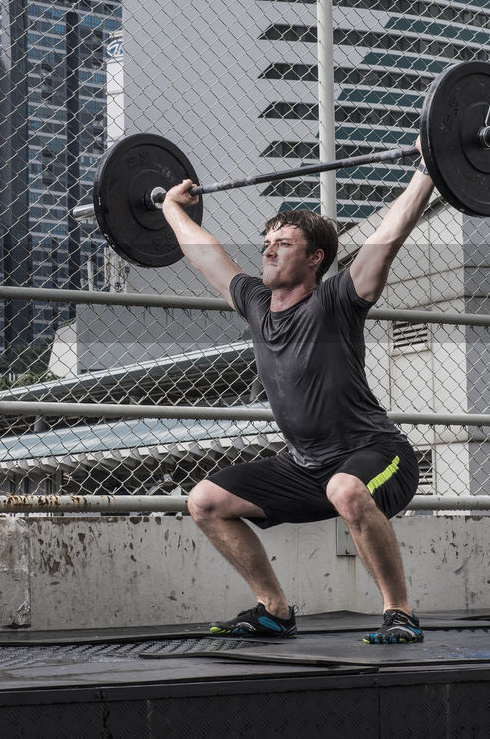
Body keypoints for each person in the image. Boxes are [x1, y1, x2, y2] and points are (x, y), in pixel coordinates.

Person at [160, 142, 434, 644]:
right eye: (267, 241)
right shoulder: (255, 304)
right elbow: (205, 255)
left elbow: (390, 234)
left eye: (283, 244)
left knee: (346, 489)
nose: (268, 249)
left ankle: (400, 613)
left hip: (376, 455)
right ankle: (274, 609)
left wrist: (428, 168)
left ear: (315, 259)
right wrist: (169, 207)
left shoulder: (337, 301)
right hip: (307, 468)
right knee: (204, 501)